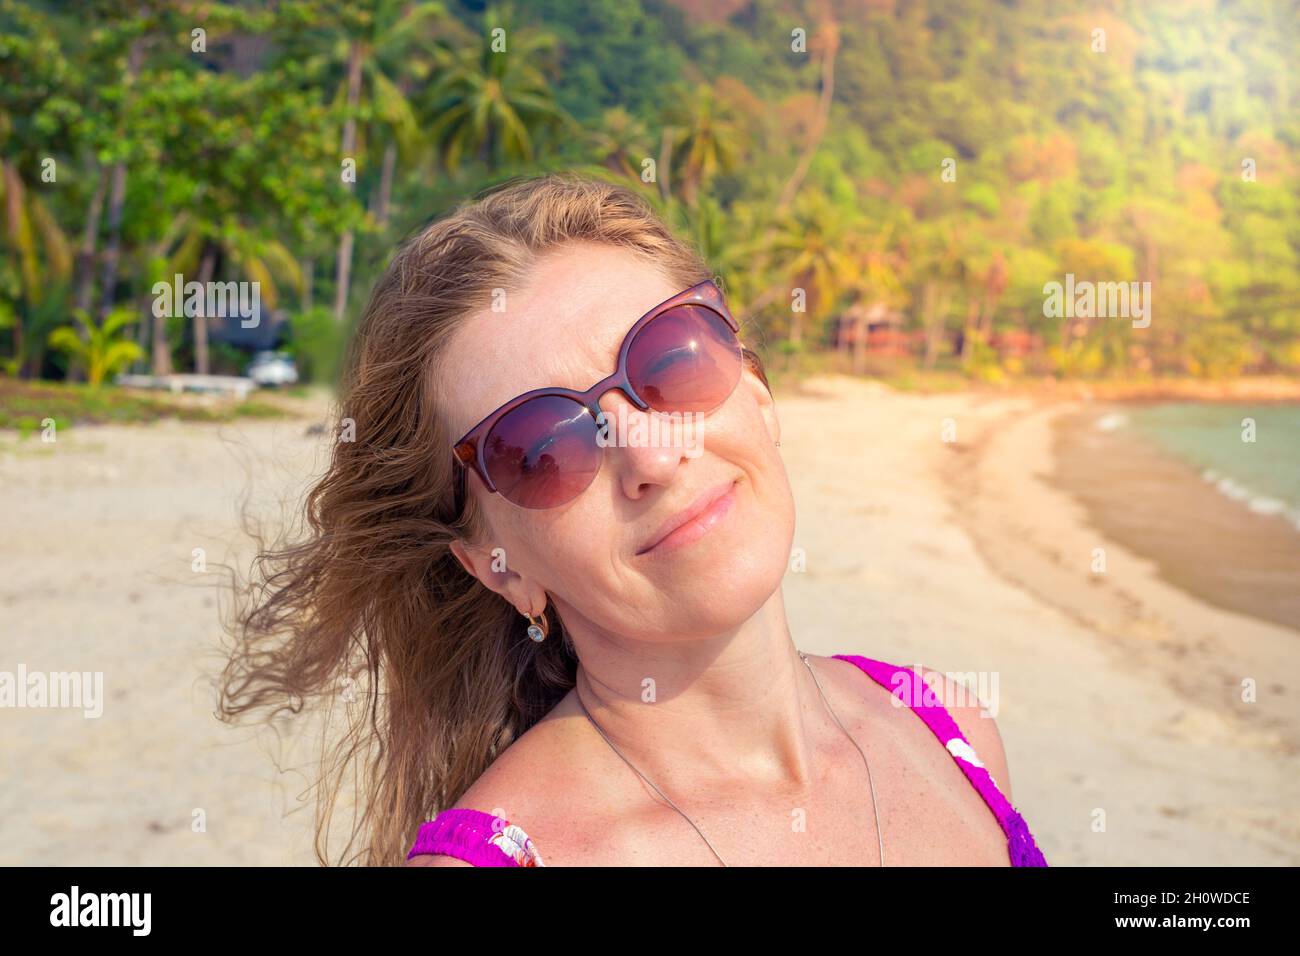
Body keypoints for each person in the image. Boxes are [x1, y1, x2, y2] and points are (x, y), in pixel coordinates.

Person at [218, 171, 1048, 867]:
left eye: (670, 360)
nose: (652, 455)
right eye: (541, 445)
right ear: (495, 562)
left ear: (755, 392)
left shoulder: (946, 724)